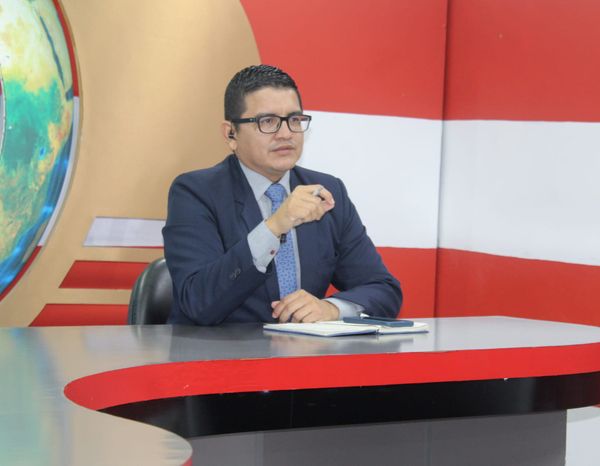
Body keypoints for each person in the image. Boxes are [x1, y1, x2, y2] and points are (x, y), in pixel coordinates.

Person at [163, 64, 402, 325]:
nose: (286, 134)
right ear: (231, 134)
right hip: (220, 350)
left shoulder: (327, 191)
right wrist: (275, 225)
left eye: (295, 120)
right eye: (267, 122)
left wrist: (331, 308)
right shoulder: (196, 192)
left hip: (305, 350)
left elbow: (383, 289)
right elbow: (197, 301)